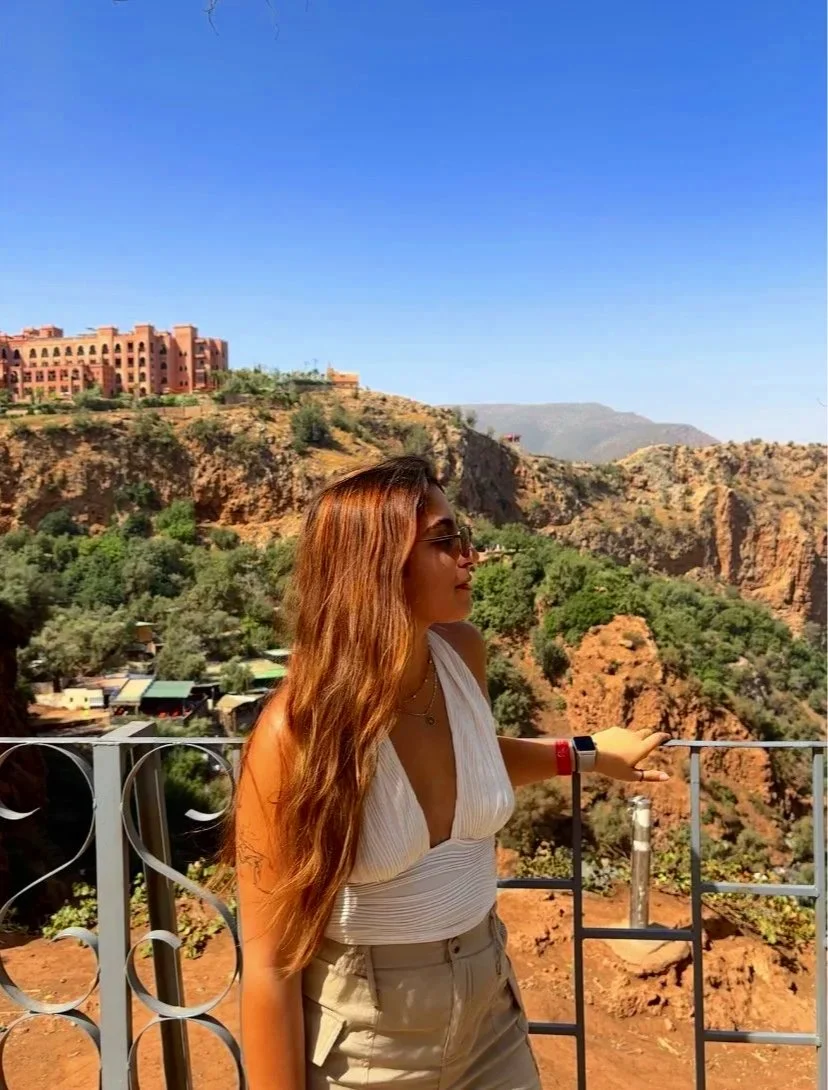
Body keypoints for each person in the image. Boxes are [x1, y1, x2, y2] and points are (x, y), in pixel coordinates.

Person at [227, 455, 670, 1090]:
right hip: (369, 1039)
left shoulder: (460, 652)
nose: (471, 556)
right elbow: (269, 963)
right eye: (445, 540)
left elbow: (478, 761)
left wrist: (590, 752)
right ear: (376, 563)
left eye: (463, 537)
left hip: (489, 1006)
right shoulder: (296, 731)